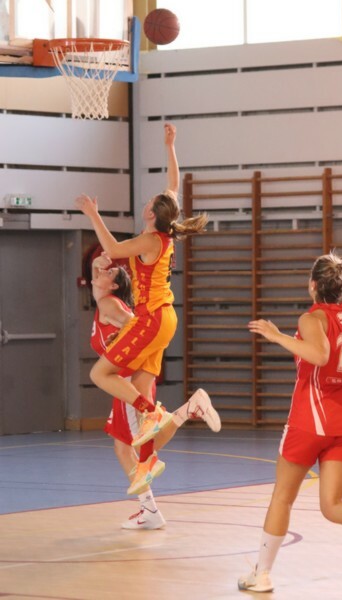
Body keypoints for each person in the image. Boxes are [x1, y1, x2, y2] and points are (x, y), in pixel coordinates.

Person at [238, 251, 342, 594]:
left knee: (283, 497)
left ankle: (262, 574)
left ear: (313, 285)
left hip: (311, 419)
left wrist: (277, 336)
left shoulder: (312, 318)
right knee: (332, 505)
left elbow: (320, 355)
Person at [76, 122, 221, 496]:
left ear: (152, 214)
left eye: (150, 202)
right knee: (140, 401)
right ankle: (148, 461)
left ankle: (153, 412)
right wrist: (170, 146)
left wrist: (93, 214)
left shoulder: (150, 239)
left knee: (100, 373)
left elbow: (112, 247)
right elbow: (174, 182)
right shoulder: (163, 231)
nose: (148, 201)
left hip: (151, 317)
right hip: (164, 319)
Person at [90, 251, 166, 530]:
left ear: (113, 285)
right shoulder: (104, 302)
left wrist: (123, 335)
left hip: (129, 381)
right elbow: (96, 274)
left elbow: (136, 325)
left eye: (108, 272)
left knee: (133, 445)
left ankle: (188, 411)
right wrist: (97, 263)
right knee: (124, 448)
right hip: (123, 382)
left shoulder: (109, 303)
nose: (101, 273)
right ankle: (150, 510)